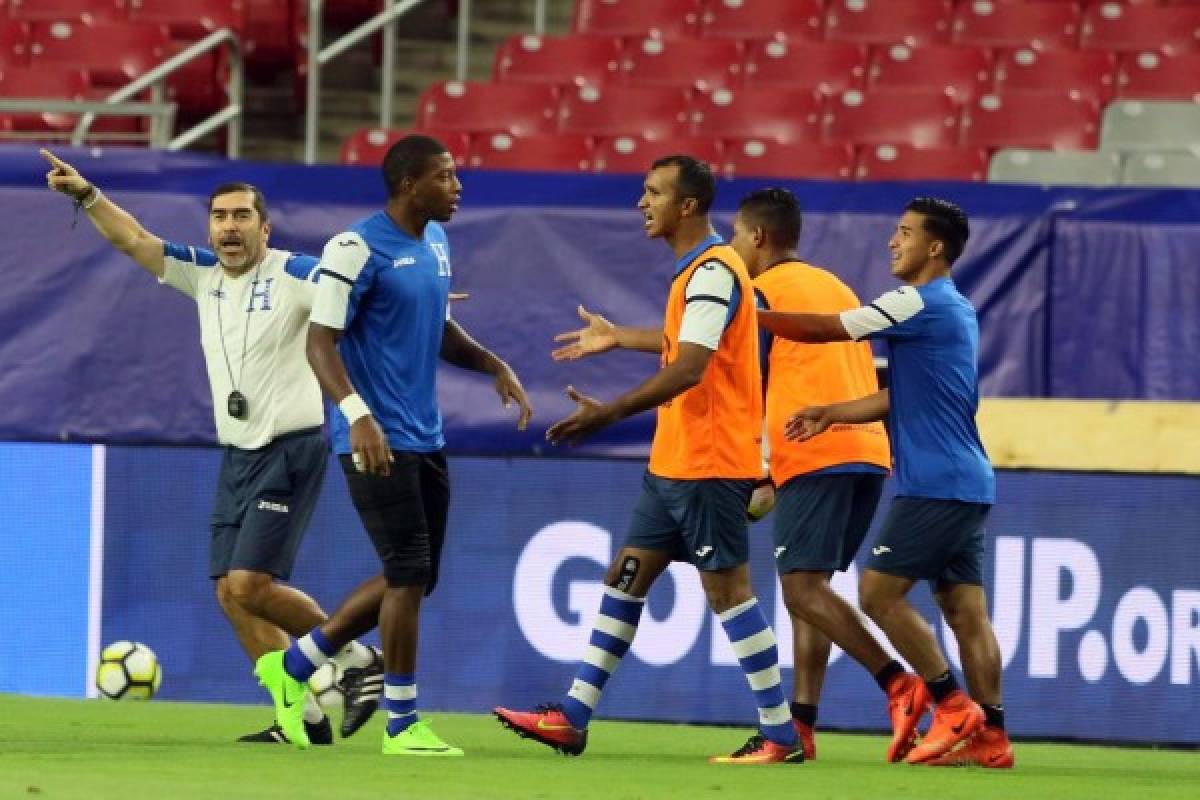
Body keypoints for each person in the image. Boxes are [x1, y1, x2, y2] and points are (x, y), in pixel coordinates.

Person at [40, 148, 384, 746]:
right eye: (220, 216)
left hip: (291, 447)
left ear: (264, 227)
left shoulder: (295, 272)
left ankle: (356, 658)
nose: (229, 226)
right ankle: (298, 718)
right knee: (230, 594)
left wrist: (403, 305)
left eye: (242, 216)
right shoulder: (200, 275)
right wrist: (88, 197)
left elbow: (351, 294)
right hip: (239, 454)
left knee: (251, 585)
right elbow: (134, 240)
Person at [494, 155, 802, 765]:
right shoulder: (696, 274)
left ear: (686, 206)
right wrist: (619, 336)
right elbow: (680, 344)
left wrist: (610, 413)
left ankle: (780, 735)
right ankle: (573, 717)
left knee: (730, 597)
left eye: (654, 192)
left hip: (711, 466)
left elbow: (691, 367)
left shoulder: (714, 272)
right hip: (673, 466)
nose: (642, 202)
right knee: (624, 577)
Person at [252, 134, 533, 756]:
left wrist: (490, 363)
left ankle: (295, 665)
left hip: (424, 434)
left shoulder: (436, 241)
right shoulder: (353, 249)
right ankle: (403, 724)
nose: (458, 188)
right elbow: (319, 342)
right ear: (410, 184)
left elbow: (436, 326)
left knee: (418, 575)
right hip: (373, 439)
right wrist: (357, 416)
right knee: (407, 572)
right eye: (446, 177)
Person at [758, 197, 1013, 768]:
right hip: (968, 479)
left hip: (935, 485)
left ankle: (949, 706)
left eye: (903, 233)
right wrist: (834, 411)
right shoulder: (957, 309)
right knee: (965, 609)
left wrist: (746, 316)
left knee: (877, 592)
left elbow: (830, 329)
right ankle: (991, 737)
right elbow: (908, 396)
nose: (892, 242)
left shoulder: (914, 301)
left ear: (935, 247)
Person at [729, 187, 930, 763]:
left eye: (738, 236)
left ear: (758, 238)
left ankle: (898, 683)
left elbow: (708, 357)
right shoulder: (835, 284)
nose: (734, 248)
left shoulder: (758, 290)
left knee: (800, 588)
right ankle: (802, 727)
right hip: (867, 451)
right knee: (809, 592)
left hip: (814, 448)